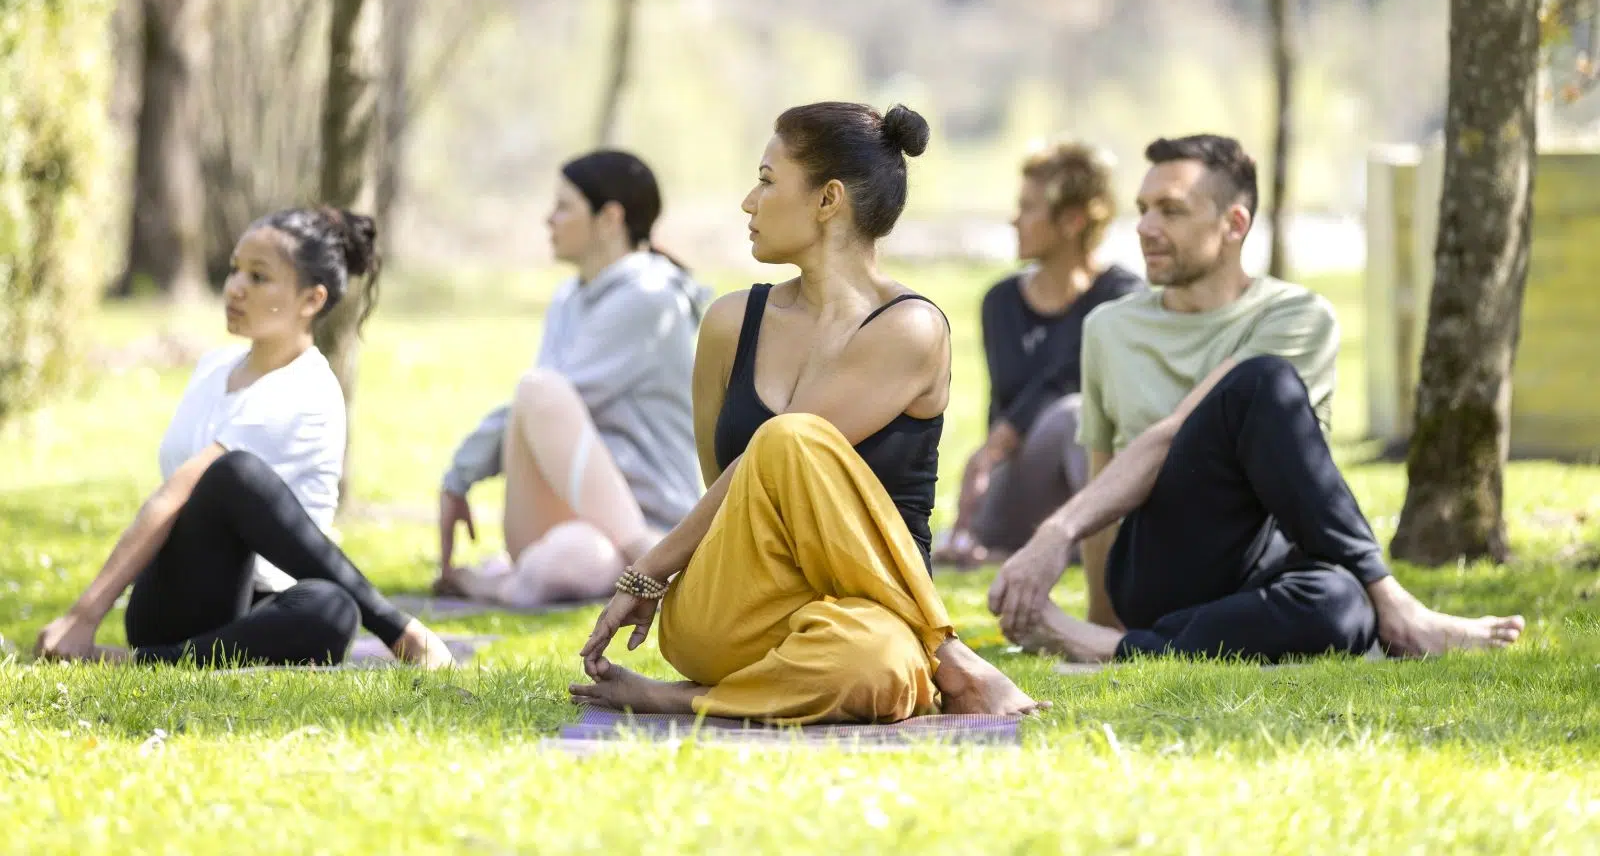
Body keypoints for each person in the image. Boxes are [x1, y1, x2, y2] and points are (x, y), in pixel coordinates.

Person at [570, 102, 1042, 723]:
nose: (748, 201)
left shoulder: (911, 329)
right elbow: (730, 487)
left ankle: (675, 699)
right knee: (784, 443)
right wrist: (655, 574)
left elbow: (775, 453)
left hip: (863, 616)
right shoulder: (729, 324)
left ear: (829, 200)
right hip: (730, 609)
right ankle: (947, 653)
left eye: (767, 180)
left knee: (880, 666)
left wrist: (649, 569)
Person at [987, 135, 1526, 663]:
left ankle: (1123, 650)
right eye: (1144, 209)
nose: (1147, 228)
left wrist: (1079, 613)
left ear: (1234, 225)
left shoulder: (1296, 316)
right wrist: (1098, 604)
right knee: (1259, 381)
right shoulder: (1109, 327)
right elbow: (1107, 466)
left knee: (1340, 606)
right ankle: (1396, 604)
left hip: (1268, 557)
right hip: (1161, 563)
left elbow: (1210, 436)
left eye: (1171, 211)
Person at [34, 207, 455, 668]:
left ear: (311, 300)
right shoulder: (214, 367)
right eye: (235, 269)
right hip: (180, 599)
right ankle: (399, 630)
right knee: (231, 473)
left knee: (332, 610)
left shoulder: (305, 390)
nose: (234, 287)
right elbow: (176, 495)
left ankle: (146, 663)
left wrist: (84, 616)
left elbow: (191, 489)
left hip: (268, 609)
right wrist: (83, 614)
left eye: (258, 277)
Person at [435, 151, 710, 609]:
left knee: (562, 564)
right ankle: (630, 570)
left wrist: (461, 474)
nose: (549, 219)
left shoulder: (649, 299)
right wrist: (456, 479)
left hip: (655, 524)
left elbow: (549, 401)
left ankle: (643, 561)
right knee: (538, 393)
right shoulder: (568, 298)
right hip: (579, 514)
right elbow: (538, 420)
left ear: (610, 218)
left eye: (564, 207)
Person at [935, 141, 1142, 567]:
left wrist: (996, 444)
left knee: (1075, 413)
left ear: (1072, 220)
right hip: (1020, 487)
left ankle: (1114, 553)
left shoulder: (1122, 298)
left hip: (1099, 477)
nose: (1015, 219)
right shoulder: (1001, 302)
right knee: (1068, 416)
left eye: (1028, 208)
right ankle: (1049, 547)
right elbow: (1001, 407)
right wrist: (988, 462)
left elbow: (1075, 376)